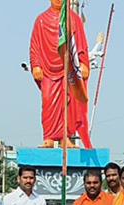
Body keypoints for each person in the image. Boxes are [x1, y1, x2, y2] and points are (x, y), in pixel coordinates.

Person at [30, 0, 90, 149]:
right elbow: (35, 47)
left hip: (68, 70)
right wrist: (36, 65)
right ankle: (49, 137)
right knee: (48, 100)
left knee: (68, 104)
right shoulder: (41, 20)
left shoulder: (73, 19)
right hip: (48, 69)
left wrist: (82, 63)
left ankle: (66, 137)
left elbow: (80, 44)